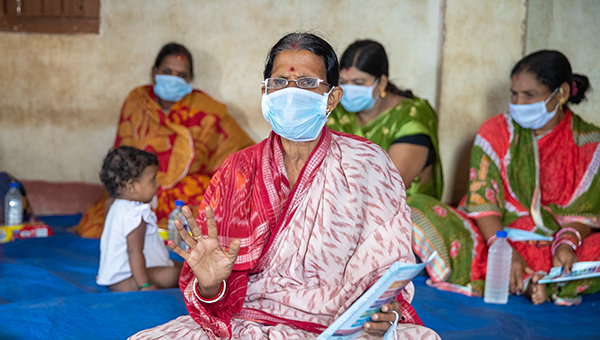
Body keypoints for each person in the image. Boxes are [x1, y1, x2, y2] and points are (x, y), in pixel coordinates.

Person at [129, 33, 439, 339]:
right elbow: (212, 296)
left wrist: (387, 313)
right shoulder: (237, 170)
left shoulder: (368, 164)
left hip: (342, 324)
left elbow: (388, 280)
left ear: (331, 97)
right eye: (279, 82)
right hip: (248, 320)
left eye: (306, 83)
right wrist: (210, 284)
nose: (291, 92)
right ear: (265, 92)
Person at [409, 50, 600, 306]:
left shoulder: (589, 143)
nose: (518, 103)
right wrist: (503, 250)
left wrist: (566, 245)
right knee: (415, 206)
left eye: (529, 95)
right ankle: (544, 283)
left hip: (557, 245)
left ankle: (540, 279)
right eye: (514, 94)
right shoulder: (496, 130)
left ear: (562, 93)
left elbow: (583, 213)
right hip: (493, 239)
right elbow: (483, 202)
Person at [73, 43, 254, 238]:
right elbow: (122, 156)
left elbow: (242, 155)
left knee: (213, 217)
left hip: (188, 192)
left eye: (181, 75)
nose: (173, 79)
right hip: (139, 190)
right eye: (167, 71)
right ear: (154, 72)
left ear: (190, 79)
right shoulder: (137, 101)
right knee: (96, 225)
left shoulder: (206, 109)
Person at [326, 40, 443, 199]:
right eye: (342, 82)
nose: (349, 89)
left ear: (381, 83)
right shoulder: (334, 111)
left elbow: (389, 187)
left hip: (404, 211)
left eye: (358, 83)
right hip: (338, 204)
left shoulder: (411, 116)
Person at [97, 146, 182, 292]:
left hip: (116, 278)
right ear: (132, 187)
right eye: (152, 179)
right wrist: (146, 285)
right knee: (178, 274)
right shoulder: (136, 213)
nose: (157, 184)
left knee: (186, 267)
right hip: (130, 280)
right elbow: (134, 252)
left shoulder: (115, 205)